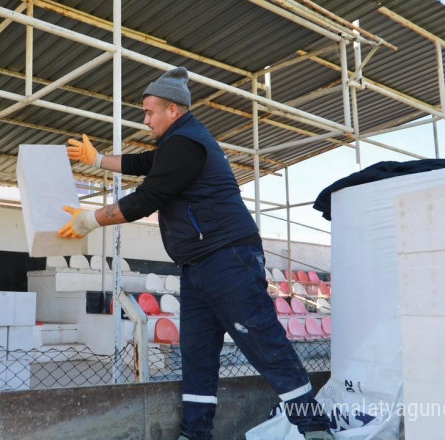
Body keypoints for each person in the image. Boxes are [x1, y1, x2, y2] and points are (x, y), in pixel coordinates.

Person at [58, 67, 333, 440]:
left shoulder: (187, 143)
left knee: (263, 342)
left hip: (227, 259)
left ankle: (314, 427)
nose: (145, 119)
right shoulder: (176, 144)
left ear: (173, 110)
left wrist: (90, 220)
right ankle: (196, 432)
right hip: (198, 265)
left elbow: (147, 199)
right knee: (198, 354)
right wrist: (98, 159)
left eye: (149, 111)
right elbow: (144, 164)